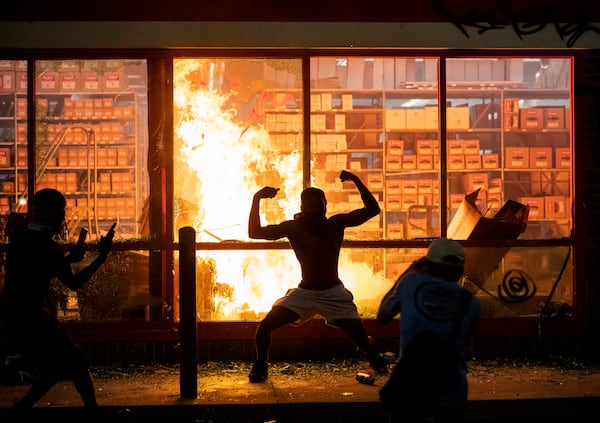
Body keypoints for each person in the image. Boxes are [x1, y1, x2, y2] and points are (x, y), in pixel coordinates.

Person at [247, 169, 388, 383]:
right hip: (304, 292)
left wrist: (357, 181)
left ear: (325, 206)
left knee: (363, 342)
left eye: (319, 205)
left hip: (334, 294)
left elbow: (372, 209)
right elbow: (255, 233)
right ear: (302, 208)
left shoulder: (336, 223)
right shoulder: (293, 228)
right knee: (264, 328)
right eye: (311, 206)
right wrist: (257, 198)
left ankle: (373, 356)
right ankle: (260, 365)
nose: (315, 210)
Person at [0, 188, 115, 416]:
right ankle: (93, 412)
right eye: (61, 212)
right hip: (31, 317)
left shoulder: (22, 239)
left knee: (55, 365)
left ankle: (23, 408)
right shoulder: (47, 246)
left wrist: (68, 259)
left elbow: (34, 270)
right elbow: (73, 283)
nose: (62, 217)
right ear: (52, 214)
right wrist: (101, 257)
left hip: (14, 315)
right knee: (76, 360)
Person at [377, 238, 482, 423]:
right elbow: (466, 351)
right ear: (460, 269)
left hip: (410, 390)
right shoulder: (471, 303)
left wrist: (409, 271)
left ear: (426, 263)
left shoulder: (411, 283)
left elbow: (383, 316)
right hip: (451, 393)